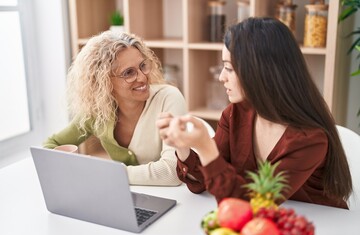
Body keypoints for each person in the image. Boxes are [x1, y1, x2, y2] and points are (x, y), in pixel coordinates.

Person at [157, 17, 353, 208]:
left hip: (315, 228)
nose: (222, 77)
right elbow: (205, 181)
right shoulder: (235, 114)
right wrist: (182, 147)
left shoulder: (310, 139)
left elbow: (254, 205)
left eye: (229, 68)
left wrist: (206, 146)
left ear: (261, 73)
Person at [43, 31, 187, 186]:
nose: (142, 77)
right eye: (129, 73)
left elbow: (172, 172)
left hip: (173, 200)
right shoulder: (98, 111)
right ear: (103, 81)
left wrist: (106, 173)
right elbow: (52, 144)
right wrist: (73, 167)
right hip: (127, 197)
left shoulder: (168, 98)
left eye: (142, 66)